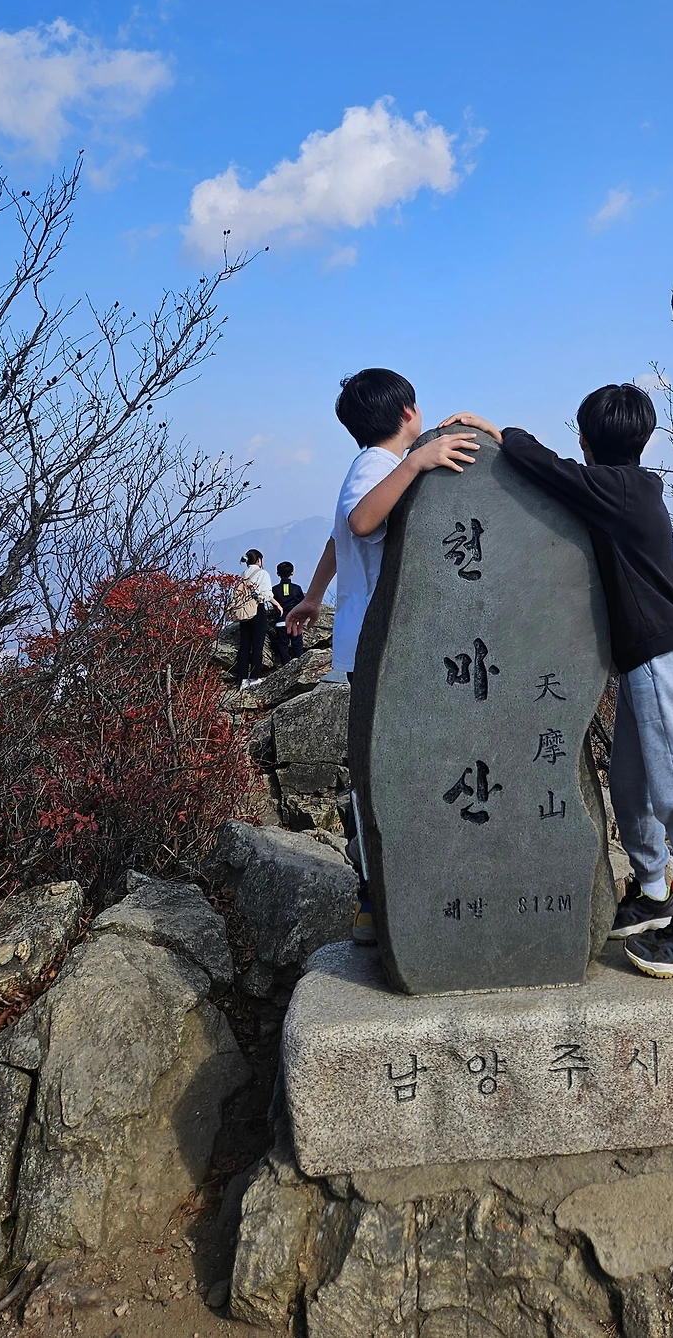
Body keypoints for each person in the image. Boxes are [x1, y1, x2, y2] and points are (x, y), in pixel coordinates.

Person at [441, 386, 673, 983]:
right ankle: (653, 893)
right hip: (646, 662)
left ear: (587, 440)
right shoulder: (629, 488)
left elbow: (551, 470)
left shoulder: (618, 489)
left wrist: (503, 434)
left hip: (661, 660)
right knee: (631, 784)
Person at [283, 368, 480, 941]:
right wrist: (418, 463)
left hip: (374, 648)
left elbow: (339, 536)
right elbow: (362, 520)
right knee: (388, 773)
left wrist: (313, 595)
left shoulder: (371, 469)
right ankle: (376, 899)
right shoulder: (379, 466)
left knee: (387, 769)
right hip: (380, 650)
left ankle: (382, 897)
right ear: (409, 412)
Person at [233, 549, 278, 687]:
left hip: (244, 611)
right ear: (259, 560)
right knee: (257, 645)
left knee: (244, 646)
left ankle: (242, 679)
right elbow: (266, 594)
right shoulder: (262, 573)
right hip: (257, 609)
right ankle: (254, 677)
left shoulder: (243, 574)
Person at [271, 561, 305, 664]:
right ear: (292, 573)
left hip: (280, 621)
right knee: (297, 644)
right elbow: (302, 603)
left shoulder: (274, 589)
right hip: (294, 621)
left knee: (283, 644)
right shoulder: (297, 588)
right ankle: (300, 665)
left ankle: (285, 666)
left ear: (278, 574)